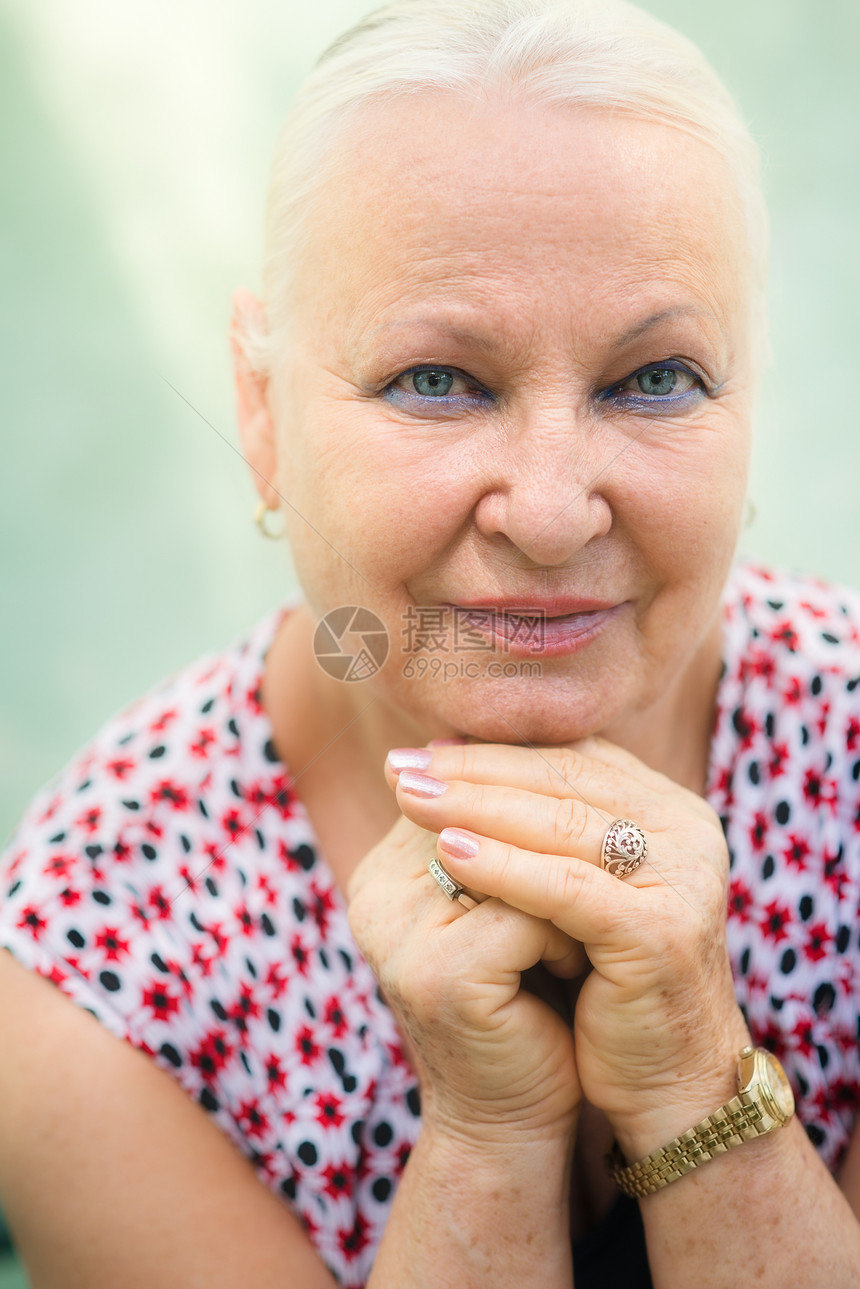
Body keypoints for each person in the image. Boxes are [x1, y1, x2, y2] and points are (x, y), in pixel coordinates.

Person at [1, 0, 859, 1284]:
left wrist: (690, 1064)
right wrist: (486, 1133)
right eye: (436, 381)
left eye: (654, 378)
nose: (554, 510)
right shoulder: (91, 976)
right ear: (262, 413)